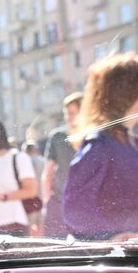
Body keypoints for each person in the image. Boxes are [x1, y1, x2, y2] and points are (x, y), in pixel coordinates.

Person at [62, 53, 138, 240]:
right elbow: (75, 209)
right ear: (129, 91)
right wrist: (110, 238)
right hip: (118, 260)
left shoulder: (131, 141)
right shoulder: (100, 144)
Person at [40, 92, 83, 239]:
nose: (67, 117)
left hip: (85, 204)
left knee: (89, 248)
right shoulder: (57, 136)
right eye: (66, 113)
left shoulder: (94, 136)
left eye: (72, 113)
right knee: (53, 248)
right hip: (58, 201)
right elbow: (48, 171)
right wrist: (47, 201)